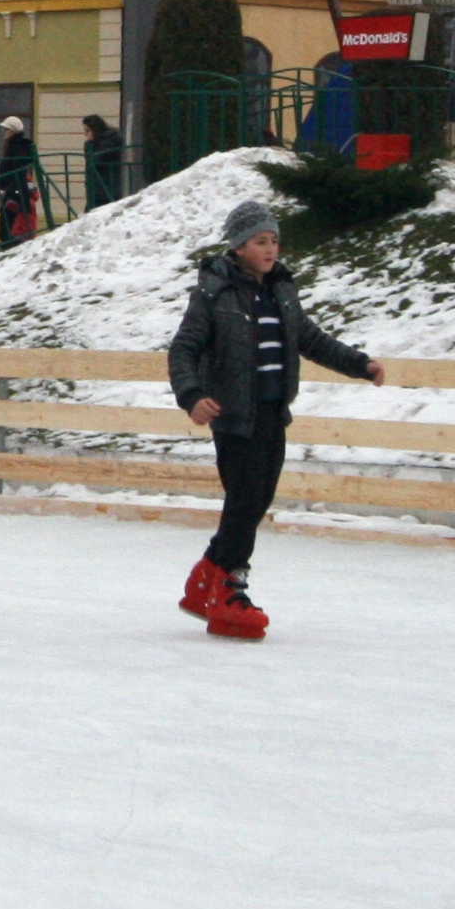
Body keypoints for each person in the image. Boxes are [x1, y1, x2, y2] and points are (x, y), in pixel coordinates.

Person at [165, 197, 386, 640]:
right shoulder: (214, 292)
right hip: (233, 415)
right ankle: (228, 587)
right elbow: (183, 349)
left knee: (256, 499)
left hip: (270, 411)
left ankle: (205, 580)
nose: (271, 250)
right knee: (245, 499)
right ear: (240, 246)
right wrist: (192, 396)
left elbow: (310, 339)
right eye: (261, 241)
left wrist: (360, 364)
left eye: (274, 241)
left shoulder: (281, 291)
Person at [0, 113, 43, 244]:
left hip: (14, 195)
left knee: (7, 232)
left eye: (6, 129)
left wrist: (22, 198)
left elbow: (18, 174)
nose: (4, 132)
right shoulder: (14, 146)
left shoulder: (18, 148)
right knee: (8, 231)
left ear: (13, 131)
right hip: (13, 193)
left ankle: (13, 255)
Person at [82, 113, 127, 206]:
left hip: (106, 184)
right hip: (97, 185)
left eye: (88, 130)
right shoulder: (98, 142)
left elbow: (95, 159)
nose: (86, 134)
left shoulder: (110, 140)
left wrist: (91, 143)